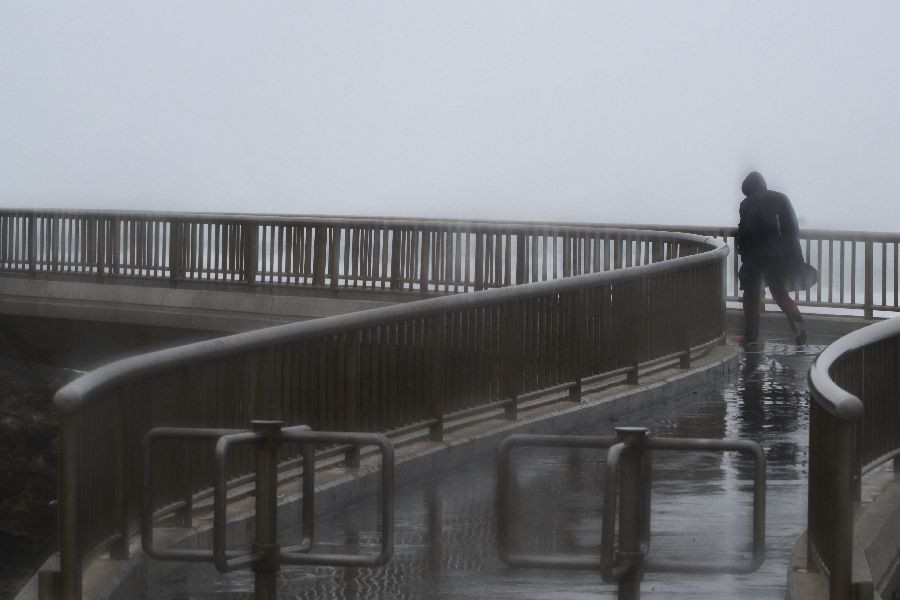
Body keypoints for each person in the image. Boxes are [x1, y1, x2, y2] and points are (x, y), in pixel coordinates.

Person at [736, 171, 814, 346]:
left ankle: (750, 337)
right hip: (781, 255)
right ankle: (795, 322)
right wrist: (794, 257)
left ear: (749, 189)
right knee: (779, 291)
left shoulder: (746, 204)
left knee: (751, 294)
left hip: (756, 257)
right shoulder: (782, 198)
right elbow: (792, 228)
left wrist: (743, 253)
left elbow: (744, 232)